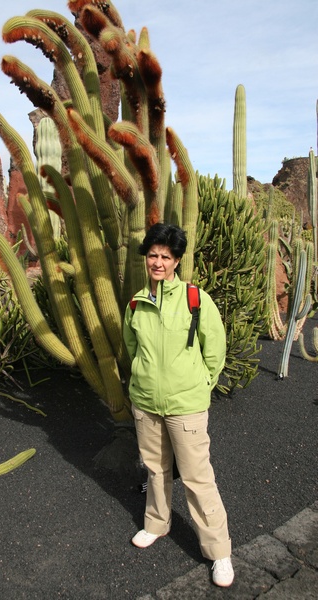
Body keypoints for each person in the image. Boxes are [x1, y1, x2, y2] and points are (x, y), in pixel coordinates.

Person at [123, 223, 234, 588]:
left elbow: (214, 350)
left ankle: (218, 552)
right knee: (155, 469)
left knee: (197, 477)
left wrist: (202, 385)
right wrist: (140, 381)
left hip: (186, 405)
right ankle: (156, 524)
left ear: (176, 261)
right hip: (147, 402)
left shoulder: (195, 299)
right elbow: (132, 347)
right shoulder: (136, 302)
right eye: (153, 255)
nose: (158, 262)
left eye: (165, 257)